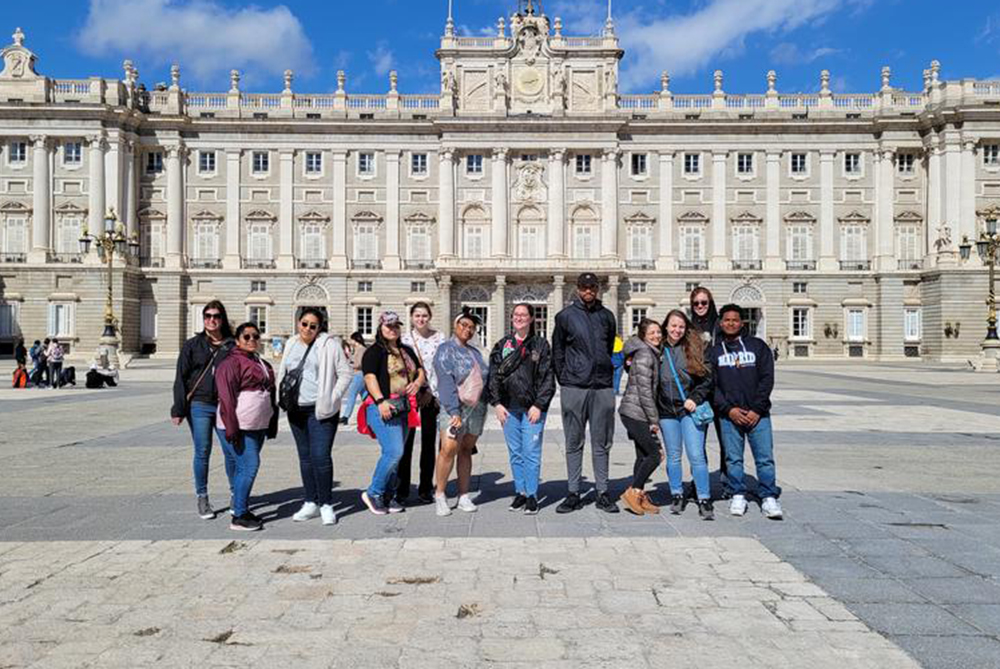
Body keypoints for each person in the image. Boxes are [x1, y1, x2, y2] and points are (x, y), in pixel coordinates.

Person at [279, 307, 353, 526]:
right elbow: (283, 371)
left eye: (313, 325)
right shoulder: (291, 343)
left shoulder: (330, 344)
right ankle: (310, 501)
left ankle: (326, 503)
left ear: (320, 327)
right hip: (296, 408)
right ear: (298, 323)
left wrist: (333, 397)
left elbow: (345, 373)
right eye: (304, 324)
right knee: (305, 457)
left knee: (320, 456)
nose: (308, 329)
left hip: (321, 410)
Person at [551, 272, 618, 514]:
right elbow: (557, 351)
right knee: (573, 442)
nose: (588, 290)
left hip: (602, 386)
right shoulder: (565, 317)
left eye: (592, 286)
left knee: (602, 442)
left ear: (597, 289)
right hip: (575, 387)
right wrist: (565, 379)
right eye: (584, 286)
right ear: (577, 289)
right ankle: (573, 492)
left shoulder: (607, 316)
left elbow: (609, 346)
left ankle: (602, 492)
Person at [710, 304, 782, 520]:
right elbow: (712, 386)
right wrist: (728, 409)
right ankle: (737, 493)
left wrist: (757, 409)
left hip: (757, 415)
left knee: (765, 458)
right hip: (729, 416)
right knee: (733, 459)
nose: (731, 323)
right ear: (721, 323)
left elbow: (766, 379)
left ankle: (769, 496)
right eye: (727, 320)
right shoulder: (714, 352)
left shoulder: (758, 347)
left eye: (735, 320)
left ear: (742, 323)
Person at [170, 300, 236, 520]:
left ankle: (236, 494)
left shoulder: (233, 346)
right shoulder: (192, 345)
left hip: (224, 405)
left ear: (222, 318)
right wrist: (178, 408)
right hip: (199, 405)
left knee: (231, 452)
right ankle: (202, 497)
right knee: (202, 451)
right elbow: (181, 377)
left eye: (216, 316)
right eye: (207, 316)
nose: (211, 320)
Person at [489, 303, 555, 515]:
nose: (519, 318)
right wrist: (497, 403)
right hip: (508, 408)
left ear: (531, 319)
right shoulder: (502, 344)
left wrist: (539, 405)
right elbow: (493, 376)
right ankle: (521, 492)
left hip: (531, 408)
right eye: (516, 314)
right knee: (515, 452)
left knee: (531, 452)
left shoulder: (541, 345)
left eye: (523, 315)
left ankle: (533, 495)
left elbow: (547, 378)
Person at [359, 311, 425, 515]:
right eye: (388, 326)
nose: (392, 329)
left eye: (396, 325)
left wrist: (417, 383)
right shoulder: (374, 351)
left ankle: (389, 494)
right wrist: (380, 401)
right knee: (393, 451)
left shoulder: (405, 350)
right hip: (383, 407)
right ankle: (374, 492)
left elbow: (420, 369)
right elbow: (370, 378)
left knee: (397, 454)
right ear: (380, 328)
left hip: (405, 408)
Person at [215, 321, 278, 531]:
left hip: (257, 424)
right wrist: (232, 427)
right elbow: (226, 397)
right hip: (239, 425)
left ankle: (241, 507)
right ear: (237, 340)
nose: (252, 340)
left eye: (255, 336)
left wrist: (271, 422)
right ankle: (239, 515)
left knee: (244, 466)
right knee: (249, 465)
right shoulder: (230, 363)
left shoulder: (259, 361)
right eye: (247, 337)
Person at [659, 309, 715, 520]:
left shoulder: (695, 347)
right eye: (673, 325)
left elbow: (707, 378)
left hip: (689, 408)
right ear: (666, 326)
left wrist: (696, 398)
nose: (677, 330)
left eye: (681, 326)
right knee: (673, 456)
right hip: (666, 410)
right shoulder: (658, 349)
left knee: (696, 455)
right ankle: (676, 494)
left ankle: (704, 497)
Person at [433, 309, 489, 517]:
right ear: (456, 326)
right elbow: (445, 379)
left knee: (466, 449)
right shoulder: (445, 349)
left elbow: (486, 379)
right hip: (454, 407)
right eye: (464, 325)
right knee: (448, 449)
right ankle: (440, 494)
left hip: (476, 408)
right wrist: (453, 409)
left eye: (472, 327)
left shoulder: (475, 352)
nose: (468, 329)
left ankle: (464, 495)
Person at [399, 302, 446, 504]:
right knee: (405, 442)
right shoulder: (404, 339)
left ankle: (426, 487)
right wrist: (415, 389)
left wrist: (430, 391)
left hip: (431, 395)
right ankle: (402, 488)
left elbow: (441, 366)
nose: (421, 319)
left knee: (429, 441)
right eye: (417, 315)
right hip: (409, 394)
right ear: (411, 317)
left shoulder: (439, 338)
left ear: (430, 317)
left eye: (424, 315)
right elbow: (400, 367)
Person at [617, 319, 664, 516]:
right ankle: (633, 491)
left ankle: (640, 494)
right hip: (636, 412)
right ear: (643, 335)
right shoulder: (646, 354)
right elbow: (645, 392)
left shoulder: (648, 352)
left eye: (658, 332)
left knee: (643, 455)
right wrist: (654, 420)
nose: (657, 336)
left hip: (634, 411)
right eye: (652, 333)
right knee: (655, 454)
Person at [690, 286, 728, 496]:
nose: (700, 307)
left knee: (726, 440)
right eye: (696, 303)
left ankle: (727, 480)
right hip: (699, 390)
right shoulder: (689, 327)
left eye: (704, 302)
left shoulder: (720, 325)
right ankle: (698, 481)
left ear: (710, 303)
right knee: (698, 441)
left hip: (722, 390)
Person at [340, 332, 368, 425]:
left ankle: (346, 416)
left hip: (359, 375)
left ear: (355, 340)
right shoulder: (357, 349)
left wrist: (349, 363)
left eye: (351, 339)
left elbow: (359, 364)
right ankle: (371, 414)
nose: (350, 341)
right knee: (366, 396)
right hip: (358, 374)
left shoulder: (361, 350)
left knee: (352, 395)